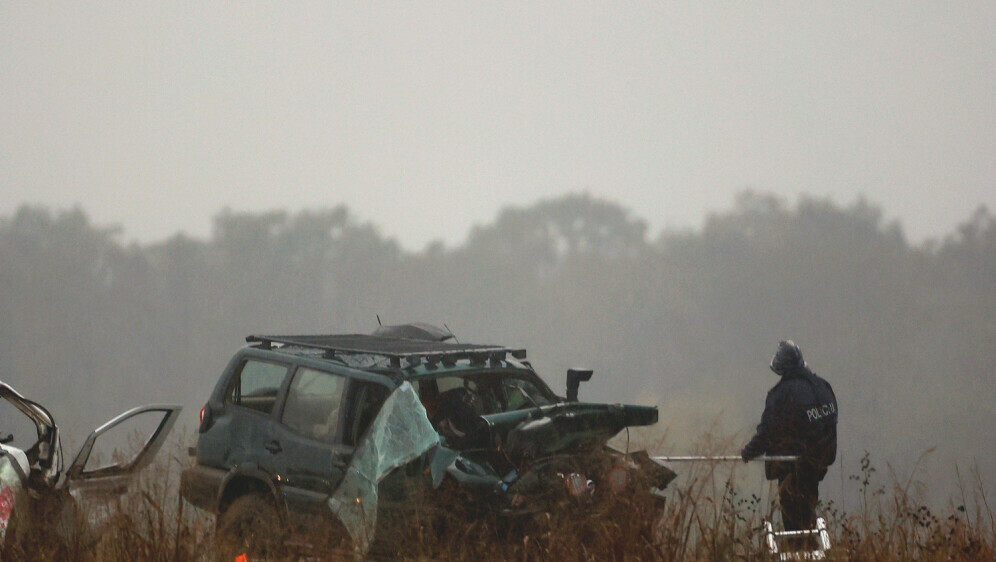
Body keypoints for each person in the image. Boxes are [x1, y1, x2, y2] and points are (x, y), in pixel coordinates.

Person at [742, 340, 838, 537]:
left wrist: (749, 452)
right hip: (817, 466)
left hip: (793, 467)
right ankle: (808, 545)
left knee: (794, 519)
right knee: (808, 510)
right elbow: (829, 424)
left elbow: (767, 432)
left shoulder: (781, 394)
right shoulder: (823, 387)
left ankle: (800, 549)